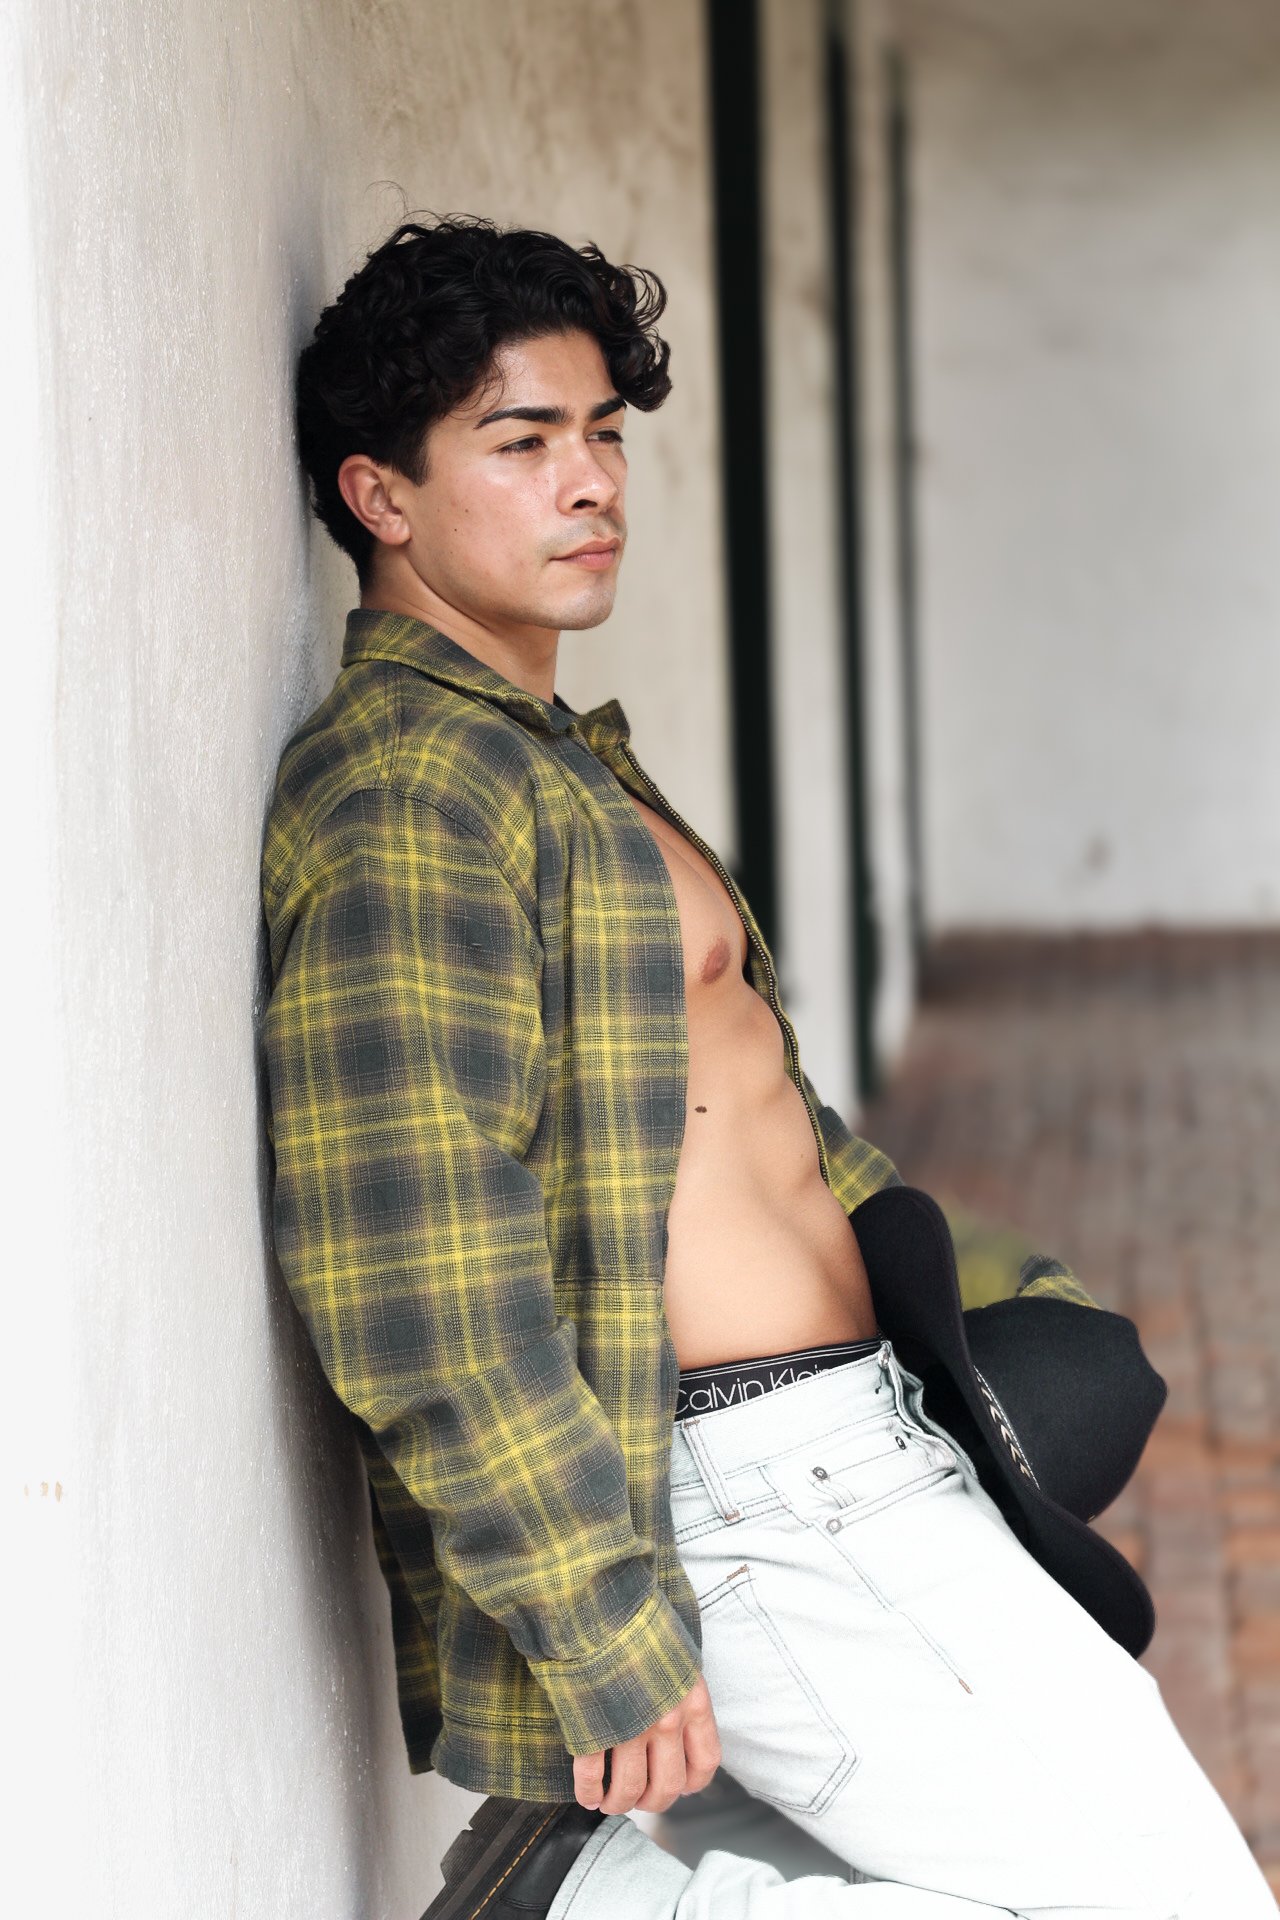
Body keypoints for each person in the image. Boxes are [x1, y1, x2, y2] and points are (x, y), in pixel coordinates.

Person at [259, 215, 1274, 1919]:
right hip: (747, 1498)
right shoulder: (409, 799)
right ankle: (610, 1906)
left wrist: (982, 1299)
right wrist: (598, 1619)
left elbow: (753, 1120)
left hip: (854, 1447)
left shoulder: (560, 767)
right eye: (521, 443)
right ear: (383, 497)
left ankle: (628, 1886)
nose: (591, 483)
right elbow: (415, 1268)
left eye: (603, 434)